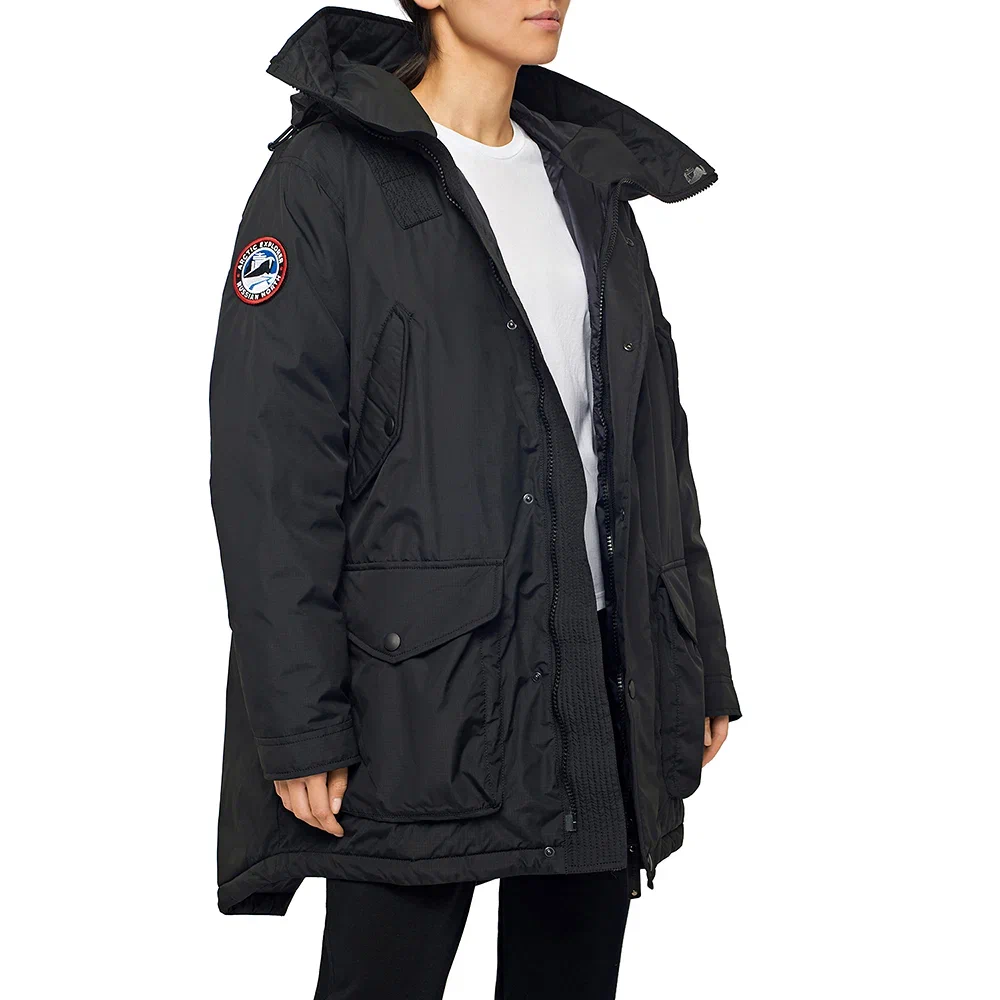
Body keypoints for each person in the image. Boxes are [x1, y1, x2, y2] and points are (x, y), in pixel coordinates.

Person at [209, 3, 742, 997]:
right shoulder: (326, 180)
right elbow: (271, 470)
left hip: (596, 666)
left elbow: (648, 440)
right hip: (416, 691)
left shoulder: (584, 178)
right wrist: (299, 720)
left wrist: (692, 648)